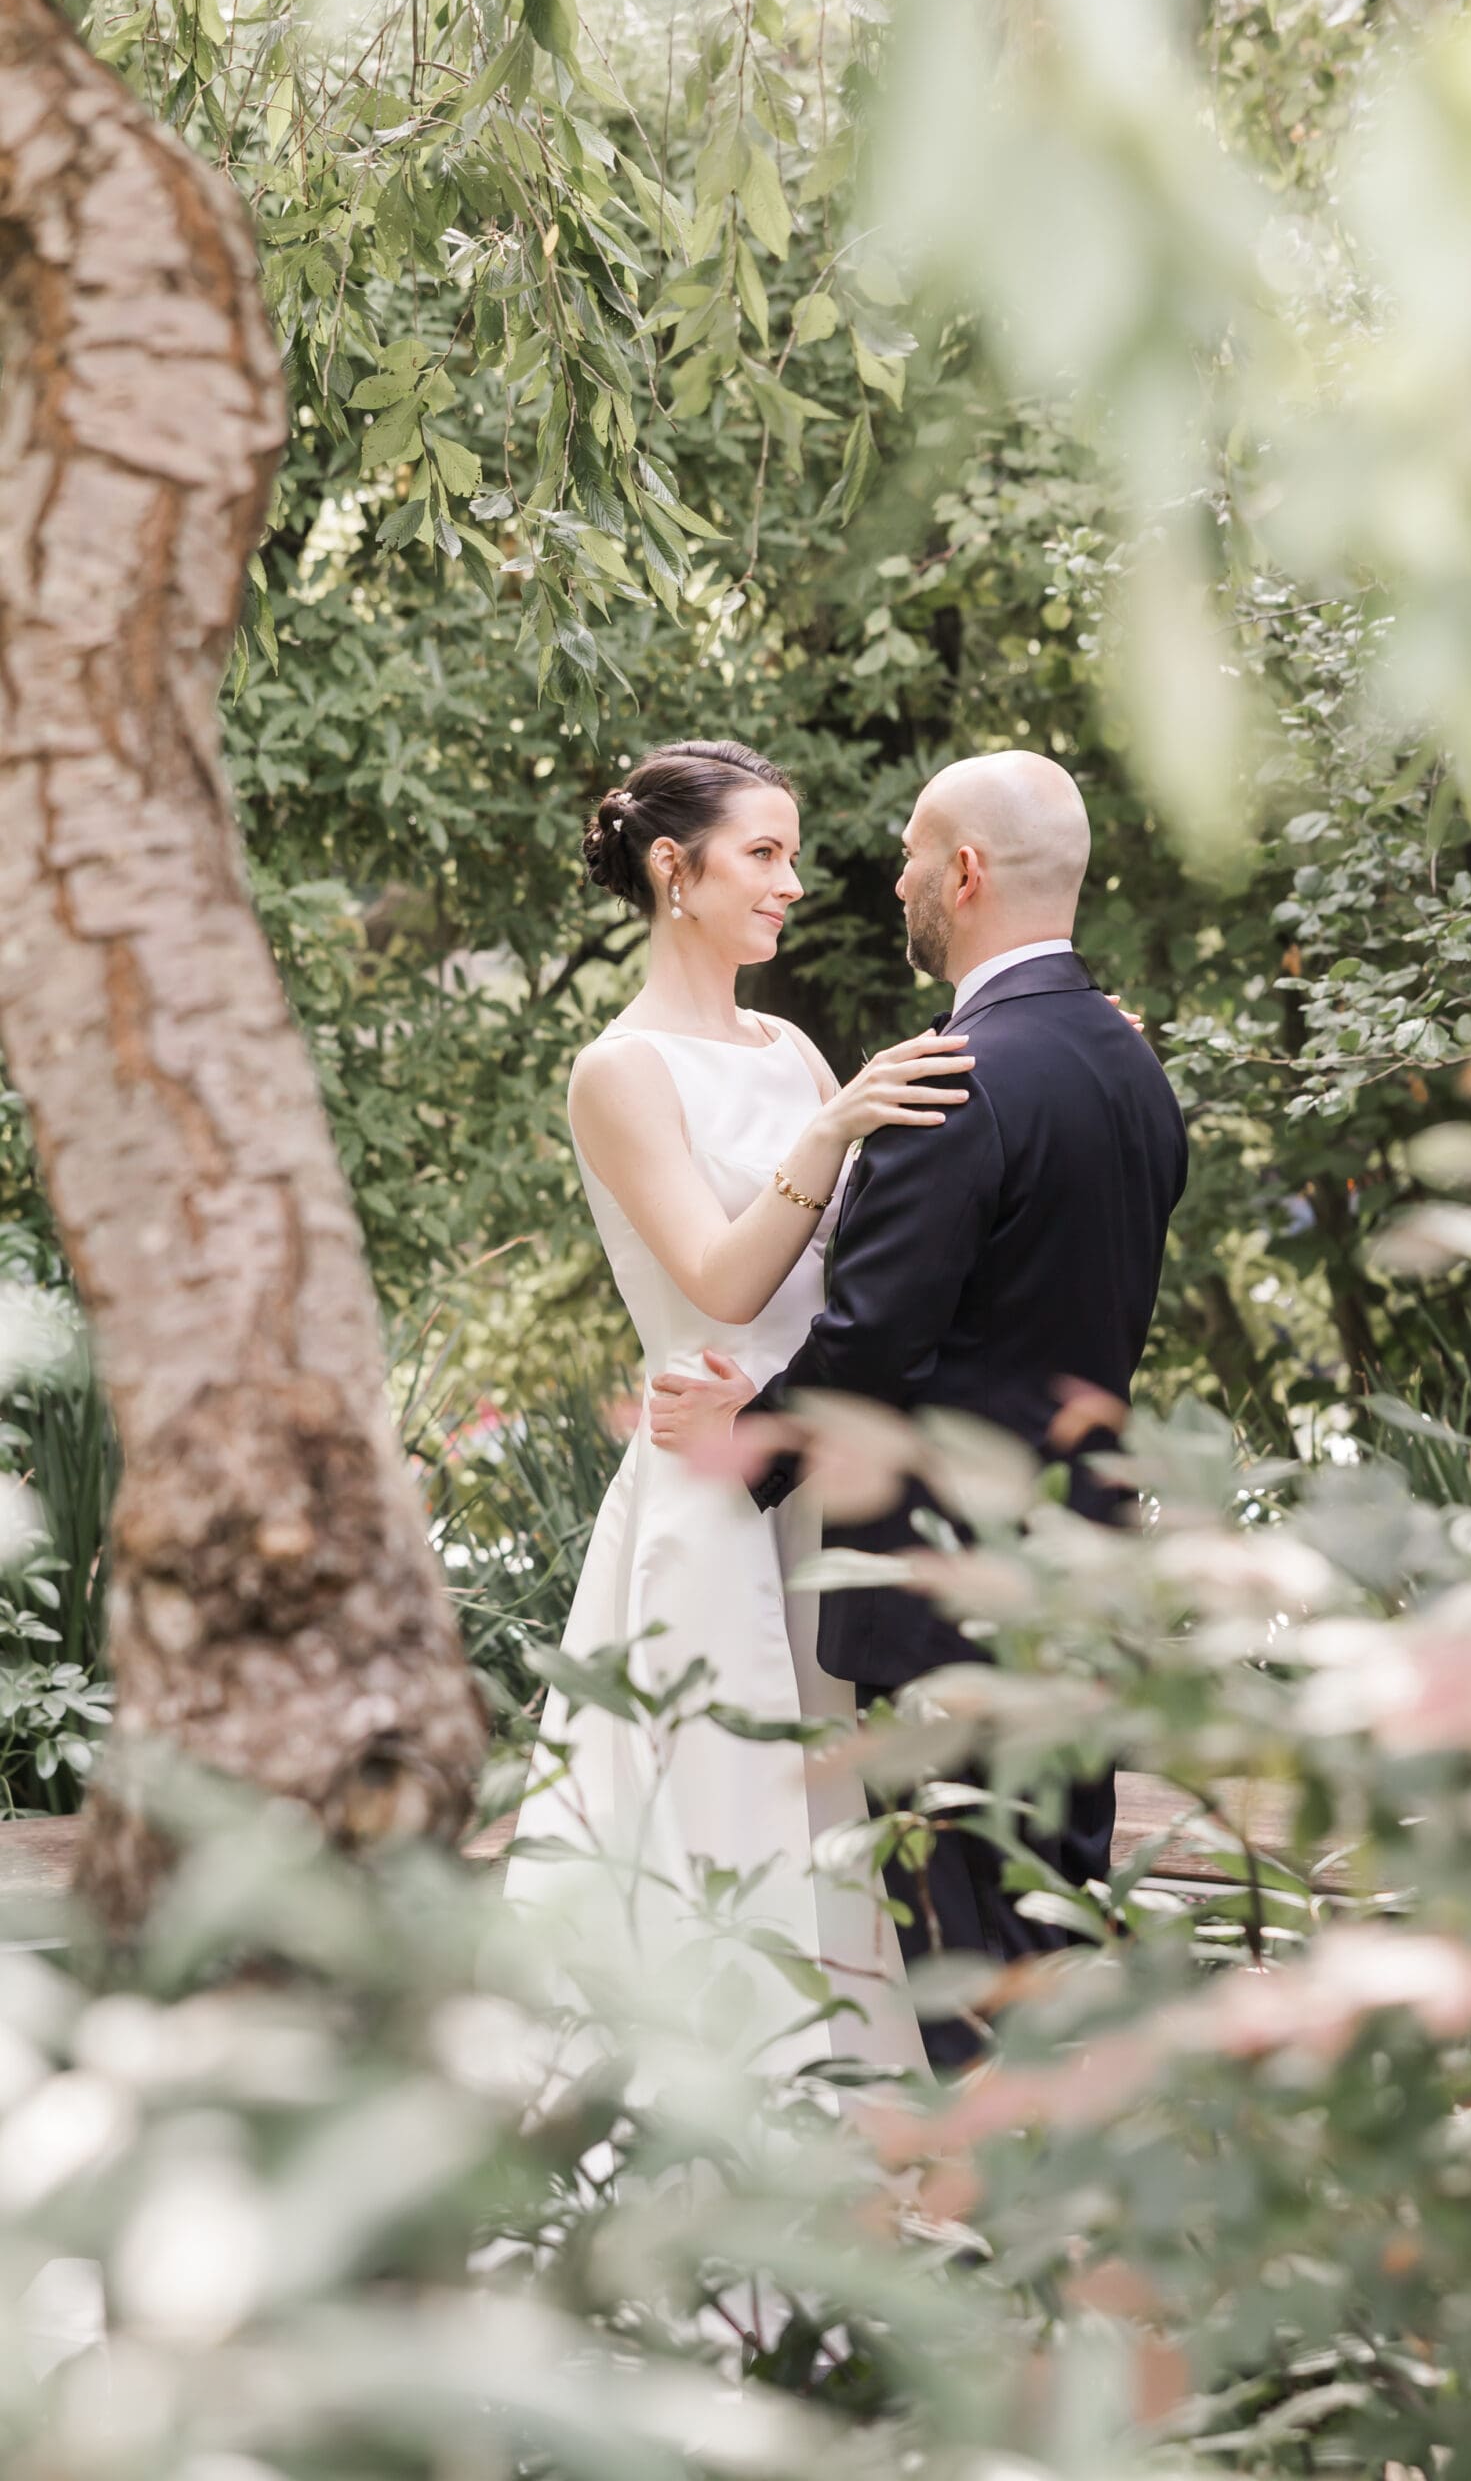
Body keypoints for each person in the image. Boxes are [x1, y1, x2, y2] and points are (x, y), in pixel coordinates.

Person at [650, 751, 1189, 2074]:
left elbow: (874, 1343)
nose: (886, 878)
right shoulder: (1128, 1068)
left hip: (950, 1600)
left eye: (906, 853)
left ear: (961, 874)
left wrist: (743, 1449)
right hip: (1082, 1576)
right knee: (1061, 1937)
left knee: (971, 1974)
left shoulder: (952, 1082)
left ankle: (1042, 2250)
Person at [504, 736, 975, 2084]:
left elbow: (874, 1242)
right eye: (762, 854)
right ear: (675, 868)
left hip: (809, 1478)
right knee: (723, 1813)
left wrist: (1061, 1056)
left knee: (833, 1801)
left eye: (790, 853)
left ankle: (854, 2123)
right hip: (706, 1494)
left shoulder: (786, 1044)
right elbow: (717, 1277)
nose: (791, 882)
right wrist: (828, 1135)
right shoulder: (621, 1070)